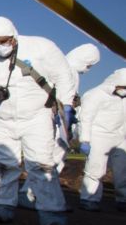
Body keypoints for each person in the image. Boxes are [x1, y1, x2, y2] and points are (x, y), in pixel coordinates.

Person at [0, 16, 75, 225]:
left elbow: (63, 75)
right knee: (3, 164)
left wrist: (67, 105)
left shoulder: (41, 47)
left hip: (37, 116)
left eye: (3, 41)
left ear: (14, 37)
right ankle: (2, 205)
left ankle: (52, 212)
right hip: (0, 119)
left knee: (41, 164)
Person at [18, 43, 100, 208]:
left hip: (54, 121)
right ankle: (31, 194)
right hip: (54, 123)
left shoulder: (62, 68)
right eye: (89, 65)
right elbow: (62, 101)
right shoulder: (68, 71)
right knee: (50, 160)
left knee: (52, 161)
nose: (88, 69)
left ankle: (42, 196)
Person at [77, 68, 126, 212]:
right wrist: (85, 140)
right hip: (99, 136)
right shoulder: (95, 95)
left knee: (122, 171)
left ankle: (123, 199)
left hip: (120, 136)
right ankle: (89, 198)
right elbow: (86, 119)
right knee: (95, 169)